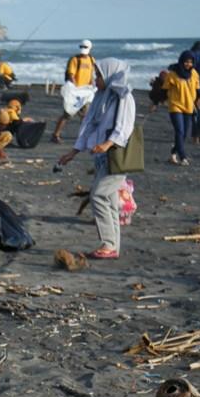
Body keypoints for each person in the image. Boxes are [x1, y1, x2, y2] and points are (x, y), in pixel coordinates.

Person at [56, 58, 137, 260]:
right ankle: (112, 246)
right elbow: (89, 125)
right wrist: (73, 152)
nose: (95, 79)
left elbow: (124, 126)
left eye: (99, 75)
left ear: (110, 75)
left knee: (98, 195)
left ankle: (109, 244)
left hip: (118, 155)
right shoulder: (101, 96)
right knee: (108, 199)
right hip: (102, 156)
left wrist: (109, 143)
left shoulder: (123, 97)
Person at [51, 39, 96, 143]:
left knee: (85, 116)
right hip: (75, 92)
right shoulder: (75, 59)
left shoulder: (91, 60)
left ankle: (85, 135)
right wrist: (75, 87)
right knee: (67, 114)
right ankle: (55, 134)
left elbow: (91, 74)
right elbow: (71, 74)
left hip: (85, 92)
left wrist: (92, 85)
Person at [161, 50, 199, 166]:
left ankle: (173, 152)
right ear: (181, 61)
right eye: (186, 62)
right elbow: (164, 89)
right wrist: (157, 102)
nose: (188, 64)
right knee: (179, 131)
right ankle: (183, 157)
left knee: (184, 134)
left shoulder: (194, 74)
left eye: (190, 62)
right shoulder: (173, 74)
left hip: (188, 106)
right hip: (175, 106)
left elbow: (197, 88)